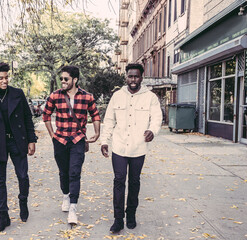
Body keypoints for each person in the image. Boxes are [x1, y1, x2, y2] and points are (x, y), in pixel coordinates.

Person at [100, 63, 162, 232]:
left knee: (134, 182)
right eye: (130, 76)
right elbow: (109, 121)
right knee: (119, 181)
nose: (133, 79)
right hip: (119, 147)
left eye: (136, 76)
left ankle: (131, 214)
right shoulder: (117, 96)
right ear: (126, 77)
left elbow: (157, 118)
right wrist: (104, 141)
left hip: (138, 148)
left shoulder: (150, 97)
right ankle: (118, 219)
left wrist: (152, 130)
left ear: (141, 77)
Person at [0, 62, 37, 233]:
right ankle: (4, 216)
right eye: (1, 78)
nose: (5, 81)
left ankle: (23, 201)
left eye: (6, 77)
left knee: (23, 176)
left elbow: (27, 118)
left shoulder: (17, 94)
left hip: (17, 141)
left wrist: (31, 140)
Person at [43, 66, 101, 224]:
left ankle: (73, 209)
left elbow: (95, 115)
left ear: (75, 80)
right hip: (60, 140)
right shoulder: (55, 95)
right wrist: (52, 135)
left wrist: (97, 133)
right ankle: (66, 195)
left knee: (74, 173)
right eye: (61, 79)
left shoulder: (87, 97)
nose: (62, 81)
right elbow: (46, 115)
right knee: (64, 173)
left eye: (66, 79)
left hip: (78, 140)